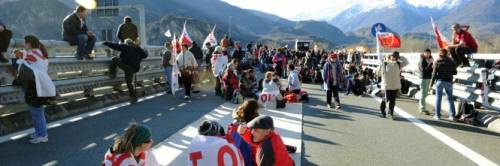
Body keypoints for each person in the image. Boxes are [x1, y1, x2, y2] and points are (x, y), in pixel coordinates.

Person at [14, 35, 56, 144]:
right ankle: (39, 132)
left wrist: (19, 56)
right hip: (38, 85)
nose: (24, 45)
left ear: (29, 43)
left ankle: (42, 135)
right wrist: (21, 56)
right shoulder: (39, 52)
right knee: (38, 111)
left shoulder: (32, 53)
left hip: (34, 86)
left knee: (37, 112)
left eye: (25, 42)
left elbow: (22, 63)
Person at [379, 51, 408, 120]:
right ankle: (382, 109)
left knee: (392, 101)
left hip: (395, 86)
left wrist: (400, 57)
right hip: (387, 86)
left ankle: (390, 113)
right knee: (385, 99)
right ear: (390, 56)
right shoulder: (385, 64)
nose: (394, 58)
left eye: (396, 57)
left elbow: (406, 62)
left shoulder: (398, 64)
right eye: (393, 56)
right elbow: (380, 73)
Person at [431, 49, 457, 121]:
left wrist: (431, 84)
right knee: (450, 99)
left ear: (440, 54)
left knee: (438, 99)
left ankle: (437, 115)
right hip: (449, 82)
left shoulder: (437, 61)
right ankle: (452, 116)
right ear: (447, 53)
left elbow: (433, 74)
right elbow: (455, 72)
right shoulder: (451, 61)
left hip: (440, 81)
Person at [418, 49, 434, 115]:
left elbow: (431, 69)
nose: (427, 54)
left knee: (425, 94)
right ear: (424, 53)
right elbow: (423, 70)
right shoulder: (422, 60)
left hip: (428, 78)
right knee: (423, 94)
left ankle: (422, 108)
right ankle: (422, 109)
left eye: (429, 53)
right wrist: (430, 63)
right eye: (426, 53)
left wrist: (432, 64)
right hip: (423, 78)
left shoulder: (429, 60)